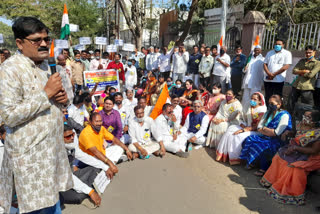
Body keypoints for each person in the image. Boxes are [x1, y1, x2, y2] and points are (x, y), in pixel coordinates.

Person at [0, 16, 72, 213]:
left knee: (52, 204)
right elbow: (8, 116)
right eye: (36, 40)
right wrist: (46, 94)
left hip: (52, 154)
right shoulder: (9, 69)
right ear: (20, 43)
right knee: (35, 208)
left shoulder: (47, 66)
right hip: (31, 160)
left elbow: (65, 99)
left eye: (46, 39)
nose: (43, 44)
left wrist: (63, 100)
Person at [260, 110, 320, 205]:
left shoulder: (318, 134)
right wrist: (288, 132)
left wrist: (296, 148)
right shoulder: (301, 125)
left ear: (315, 121)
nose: (304, 118)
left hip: (312, 157)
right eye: (304, 116)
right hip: (298, 151)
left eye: (308, 117)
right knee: (278, 157)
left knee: (293, 167)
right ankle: (273, 182)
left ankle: (291, 195)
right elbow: (296, 134)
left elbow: (314, 151)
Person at [239, 94, 292, 176]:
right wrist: (266, 130)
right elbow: (259, 127)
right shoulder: (268, 112)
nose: (270, 105)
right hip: (264, 136)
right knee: (249, 139)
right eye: (269, 103)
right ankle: (253, 162)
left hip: (277, 139)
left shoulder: (284, 115)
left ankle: (263, 168)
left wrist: (265, 129)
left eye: (272, 104)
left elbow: (276, 133)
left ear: (279, 104)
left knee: (265, 146)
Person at [216, 92, 267, 165]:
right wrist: (242, 125)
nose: (252, 100)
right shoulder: (248, 106)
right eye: (251, 98)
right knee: (230, 130)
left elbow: (257, 126)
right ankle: (224, 155)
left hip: (255, 130)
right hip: (245, 126)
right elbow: (241, 117)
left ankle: (236, 158)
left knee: (238, 136)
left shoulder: (262, 110)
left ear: (260, 101)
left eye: (255, 99)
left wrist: (243, 130)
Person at [60, 124, 102, 208]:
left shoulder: (71, 147)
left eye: (73, 135)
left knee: (96, 167)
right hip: (61, 184)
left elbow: (84, 157)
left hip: (72, 177)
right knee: (79, 197)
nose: (72, 138)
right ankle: (87, 189)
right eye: (68, 137)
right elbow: (66, 176)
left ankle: (86, 188)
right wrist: (90, 192)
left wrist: (106, 165)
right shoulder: (57, 152)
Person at [288, 45, 320, 113]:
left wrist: (299, 72)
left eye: (310, 52)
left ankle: (304, 122)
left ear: (314, 52)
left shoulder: (317, 63)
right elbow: (294, 71)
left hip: (307, 87)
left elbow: (311, 75)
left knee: (306, 107)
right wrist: (304, 71)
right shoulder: (302, 61)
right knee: (290, 104)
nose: (308, 54)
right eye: (306, 52)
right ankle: (289, 119)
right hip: (296, 85)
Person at [263, 38, 292, 102]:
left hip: (279, 80)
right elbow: (265, 64)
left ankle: (277, 111)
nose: (277, 45)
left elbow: (286, 66)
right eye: (276, 44)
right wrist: (269, 73)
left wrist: (274, 74)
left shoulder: (287, 53)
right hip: (268, 79)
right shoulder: (269, 53)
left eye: (279, 44)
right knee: (268, 96)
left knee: (277, 97)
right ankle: (268, 110)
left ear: (283, 45)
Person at [242, 45, 265, 111]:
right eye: (255, 50)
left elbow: (264, 72)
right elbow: (244, 70)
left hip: (256, 83)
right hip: (247, 81)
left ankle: (252, 113)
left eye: (258, 50)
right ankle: (244, 112)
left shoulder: (262, 59)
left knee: (254, 99)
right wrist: (244, 69)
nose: (256, 51)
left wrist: (263, 83)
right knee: (245, 98)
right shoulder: (249, 58)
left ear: (260, 51)